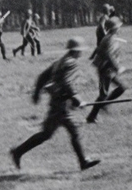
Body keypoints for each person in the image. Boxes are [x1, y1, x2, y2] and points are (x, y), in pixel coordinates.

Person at [10, 37, 100, 171]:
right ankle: (83, 162)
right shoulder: (71, 63)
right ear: (77, 51)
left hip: (57, 102)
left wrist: (36, 94)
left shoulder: (60, 61)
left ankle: (18, 152)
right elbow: (66, 83)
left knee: (47, 134)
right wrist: (77, 99)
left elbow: (42, 76)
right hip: (61, 105)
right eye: (81, 50)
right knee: (73, 131)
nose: (81, 53)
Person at [86, 16, 127, 123]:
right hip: (105, 69)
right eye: (119, 27)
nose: (120, 28)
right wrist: (118, 67)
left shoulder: (110, 37)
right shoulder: (110, 39)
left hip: (108, 69)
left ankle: (100, 108)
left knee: (121, 88)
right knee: (105, 94)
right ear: (114, 28)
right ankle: (92, 116)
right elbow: (108, 54)